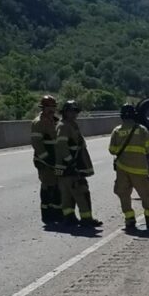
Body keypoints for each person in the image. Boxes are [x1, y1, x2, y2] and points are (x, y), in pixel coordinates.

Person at [108, 103, 149, 232]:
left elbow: (112, 150)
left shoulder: (117, 131)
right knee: (146, 194)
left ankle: (129, 220)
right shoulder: (141, 129)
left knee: (124, 195)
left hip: (122, 169)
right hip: (139, 169)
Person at [55, 100, 103, 227]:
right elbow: (62, 145)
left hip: (65, 167)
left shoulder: (70, 125)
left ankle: (69, 217)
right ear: (65, 112)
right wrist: (70, 162)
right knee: (80, 191)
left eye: (75, 111)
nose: (74, 114)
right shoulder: (64, 126)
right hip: (70, 167)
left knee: (67, 194)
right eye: (71, 111)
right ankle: (86, 219)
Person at [30, 95, 63, 224]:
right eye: (49, 107)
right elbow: (37, 143)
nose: (52, 109)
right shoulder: (38, 123)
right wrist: (47, 159)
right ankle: (47, 214)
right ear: (43, 107)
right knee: (48, 186)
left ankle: (58, 212)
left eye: (53, 106)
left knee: (58, 186)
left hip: (56, 162)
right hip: (45, 162)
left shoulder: (56, 121)